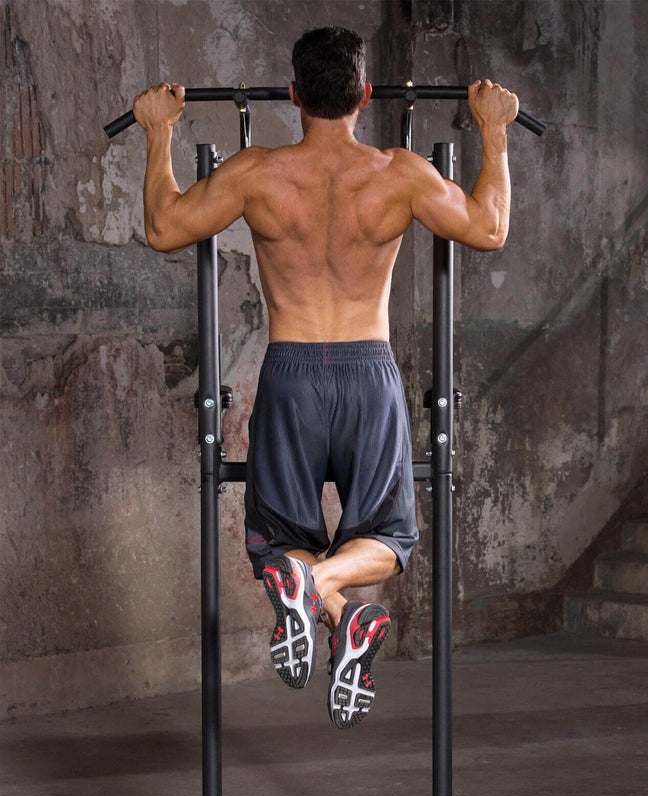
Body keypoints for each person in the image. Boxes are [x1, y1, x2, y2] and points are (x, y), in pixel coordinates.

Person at [133, 25, 518, 729]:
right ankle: (340, 609)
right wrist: (492, 133)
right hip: (368, 375)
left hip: (291, 373)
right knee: (391, 538)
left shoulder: (255, 172)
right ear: (364, 95)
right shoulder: (399, 172)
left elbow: (164, 227)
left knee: (276, 538)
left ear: (291, 96)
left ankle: (305, 583)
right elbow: (487, 228)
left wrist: (159, 132)